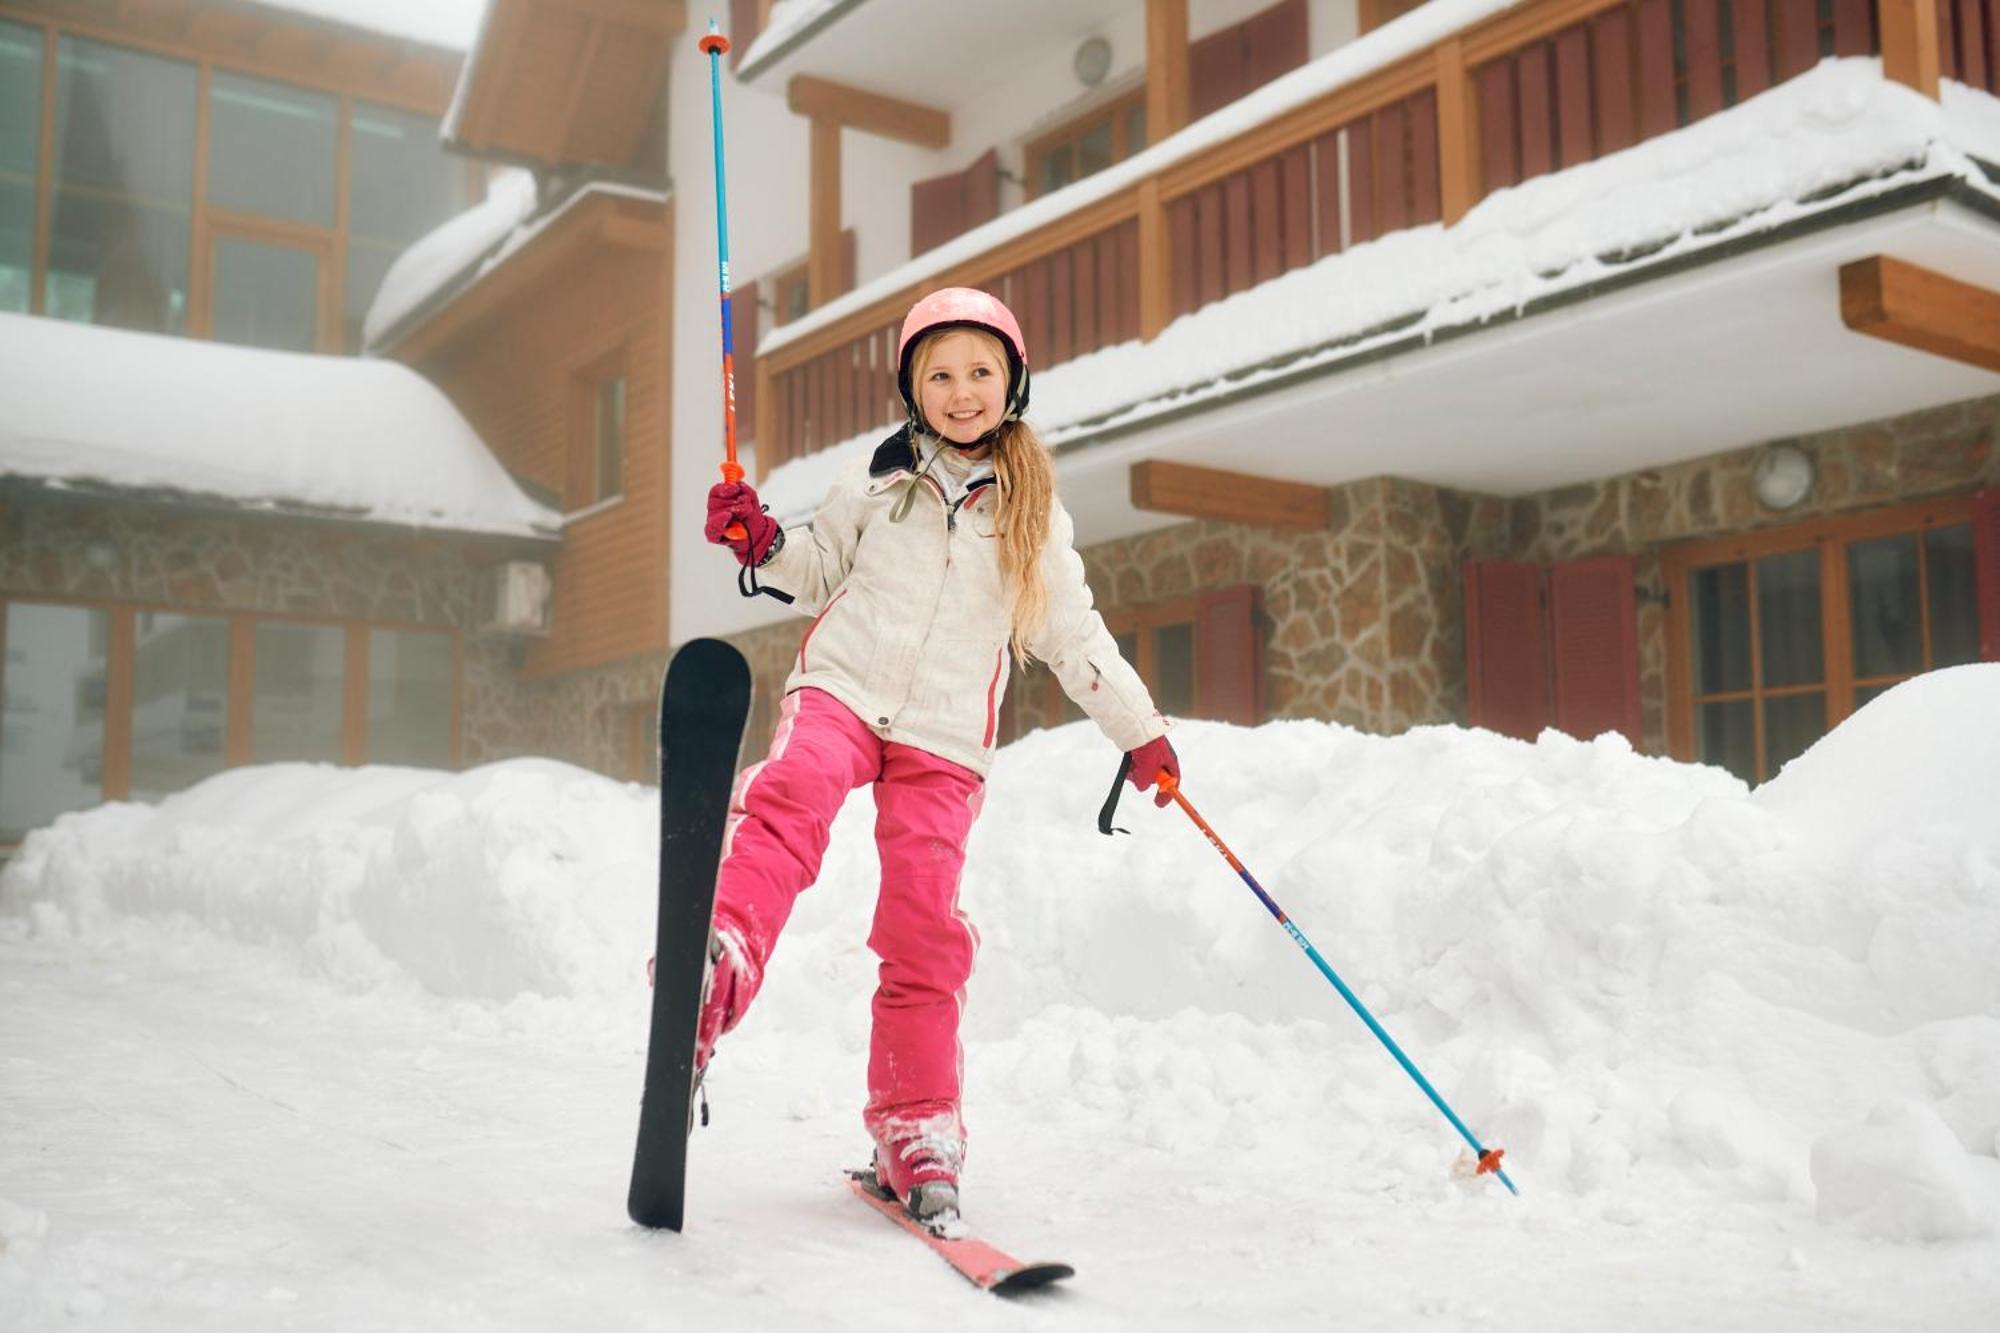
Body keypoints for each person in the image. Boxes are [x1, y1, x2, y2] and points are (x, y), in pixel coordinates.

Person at [698, 287, 1179, 1225]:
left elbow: (1077, 637)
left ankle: (915, 1120)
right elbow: (813, 568)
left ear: (1014, 383)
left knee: (923, 920)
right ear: (914, 391)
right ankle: (718, 961)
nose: (963, 392)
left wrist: (1140, 731)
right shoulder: (872, 486)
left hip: (946, 739)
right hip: (844, 690)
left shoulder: (1033, 520)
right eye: (941, 374)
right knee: (791, 793)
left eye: (981, 372)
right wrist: (761, 538)